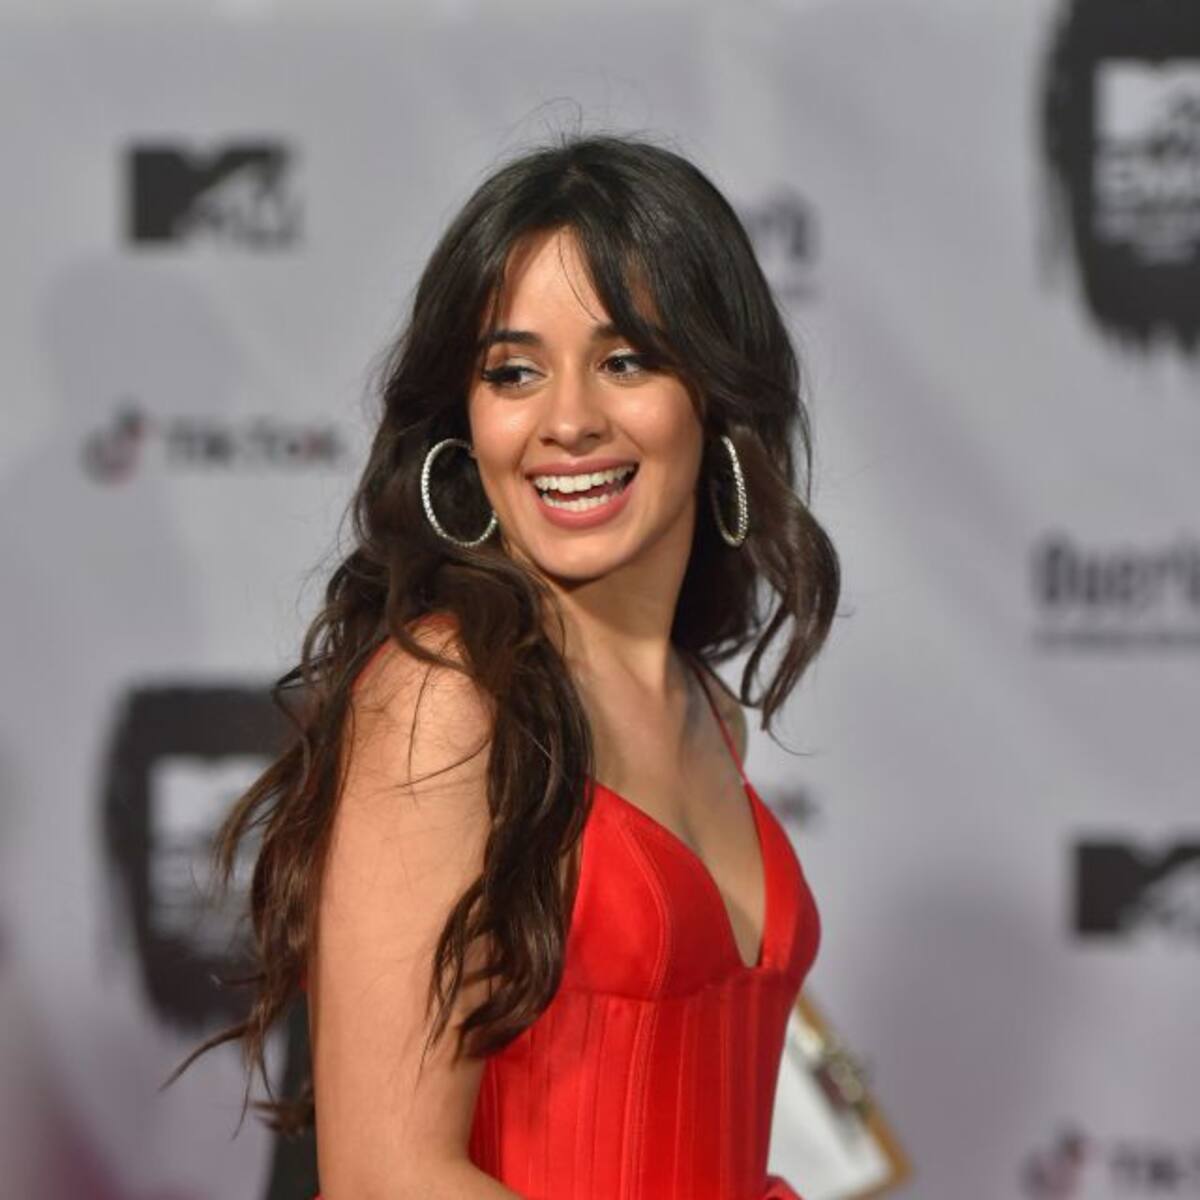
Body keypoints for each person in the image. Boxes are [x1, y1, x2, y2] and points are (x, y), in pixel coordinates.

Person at [177, 131, 840, 1199]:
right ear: (467, 418)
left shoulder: (708, 710)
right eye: (514, 371)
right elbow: (388, 1180)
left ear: (716, 394)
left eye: (626, 360)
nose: (568, 420)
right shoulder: (445, 699)